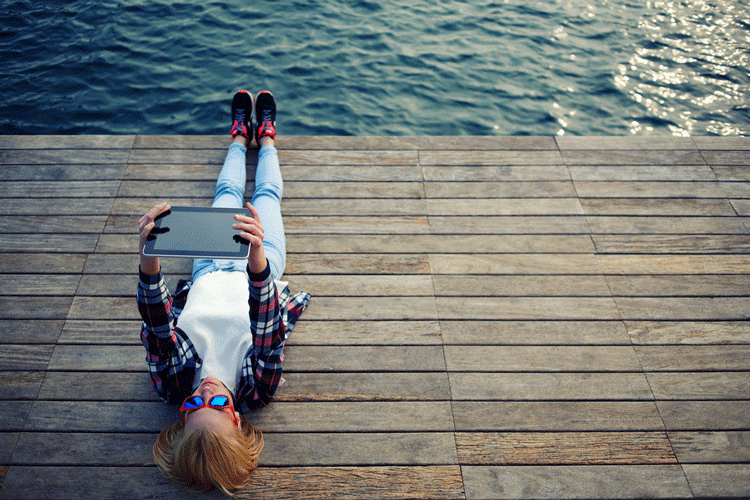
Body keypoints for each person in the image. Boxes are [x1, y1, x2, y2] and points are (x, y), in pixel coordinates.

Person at [136, 90, 310, 495]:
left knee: (226, 196)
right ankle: (265, 137)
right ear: (235, 419)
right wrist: (257, 258)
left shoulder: (174, 383)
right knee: (266, 198)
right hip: (258, 268)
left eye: (194, 407)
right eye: (217, 406)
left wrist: (149, 256)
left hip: (207, 267)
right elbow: (267, 328)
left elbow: (159, 326)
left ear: (182, 416)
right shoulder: (256, 388)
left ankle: (237, 136)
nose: (206, 395)